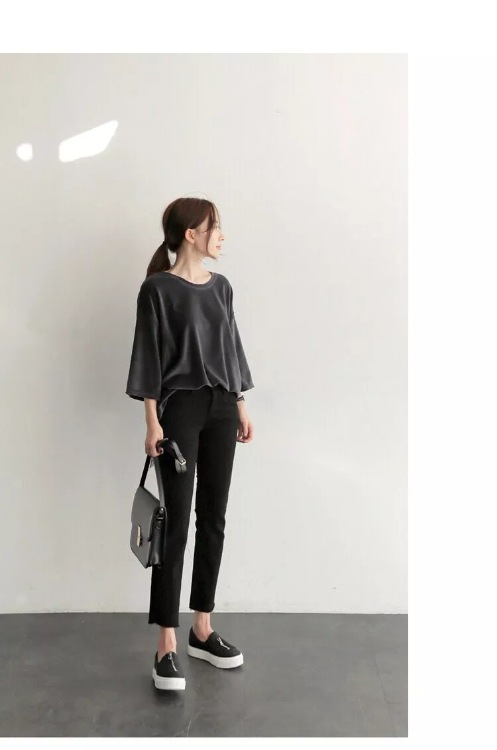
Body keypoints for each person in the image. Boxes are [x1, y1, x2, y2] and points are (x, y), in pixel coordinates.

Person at [125, 196, 255, 690]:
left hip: (222, 407)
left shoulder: (221, 287)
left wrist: (240, 403)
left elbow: (231, 347)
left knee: (213, 518)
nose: (221, 236)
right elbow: (148, 355)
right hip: (179, 411)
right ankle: (166, 644)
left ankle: (202, 628)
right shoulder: (156, 289)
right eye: (214, 227)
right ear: (191, 234)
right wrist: (152, 422)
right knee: (176, 523)